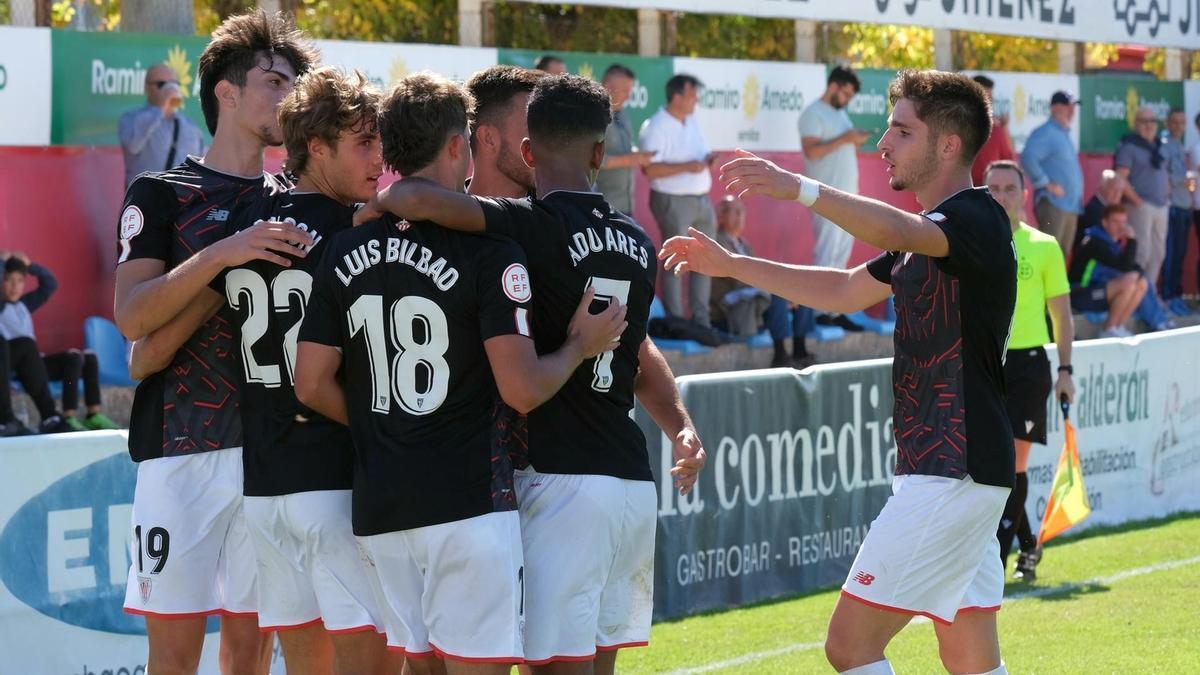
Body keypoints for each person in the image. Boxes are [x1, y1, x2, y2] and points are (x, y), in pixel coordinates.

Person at [662, 70, 1016, 675]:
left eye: (902, 131)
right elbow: (843, 289)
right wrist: (735, 265)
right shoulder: (930, 233)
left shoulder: (974, 217)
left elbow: (896, 229)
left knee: (849, 648)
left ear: (949, 145)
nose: (883, 144)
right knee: (969, 656)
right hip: (957, 469)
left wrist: (797, 187)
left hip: (952, 470)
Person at [358, 73, 706, 675]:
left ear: (525, 150)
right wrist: (680, 427)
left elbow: (418, 199)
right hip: (627, 476)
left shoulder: (529, 225)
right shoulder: (636, 241)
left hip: (558, 477)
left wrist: (378, 203)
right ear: (601, 152)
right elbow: (639, 348)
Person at [294, 72, 627, 674]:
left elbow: (311, 382)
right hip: (467, 501)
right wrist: (579, 345)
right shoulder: (491, 251)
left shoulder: (346, 247)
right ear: (458, 145)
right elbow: (522, 390)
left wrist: (377, 429)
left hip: (381, 505)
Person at [128, 67, 397, 675]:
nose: (379, 158)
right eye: (365, 142)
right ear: (317, 147)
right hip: (333, 479)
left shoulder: (246, 229)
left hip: (268, 490)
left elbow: (144, 354)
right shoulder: (356, 236)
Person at [113, 11, 317, 674]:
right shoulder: (163, 193)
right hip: (181, 453)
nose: (291, 96)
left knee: (250, 654)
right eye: (275, 80)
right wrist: (225, 255)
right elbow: (133, 317)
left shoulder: (300, 200)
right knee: (172, 658)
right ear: (227, 93)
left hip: (272, 454)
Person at [983, 160, 1074, 582]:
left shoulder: (1043, 246)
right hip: (986, 364)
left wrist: (1066, 369)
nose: (1001, 196)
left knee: (1012, 465)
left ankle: (996, 563)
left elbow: (1062, 314)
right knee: (993, 466)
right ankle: (1029, 544)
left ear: (1023, 195)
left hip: (1028, 366)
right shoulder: (973, 245)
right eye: (993, 188)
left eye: (1008, 188)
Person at [0, 253, 117, 435]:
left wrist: (30, 265)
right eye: (8, 280)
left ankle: (93, 414)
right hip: (12, 366)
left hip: (34, 365)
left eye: (20, 280)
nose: (15, 286)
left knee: (83, 357)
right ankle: (67, 415)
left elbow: (50, 284)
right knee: (27, 344)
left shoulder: (24, 304)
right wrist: (2, 262)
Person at [640, 73, 719, 331]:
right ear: (677, 97)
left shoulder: (692, 121)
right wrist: (688, 166)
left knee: (707, 258)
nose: (696, 99)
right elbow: (650, 170)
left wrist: (706, 160)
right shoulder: (656, 125)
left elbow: (699, 155)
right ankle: (675, 320)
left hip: (701, 199)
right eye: (692, 94)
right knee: (675, 257)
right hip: (672, 200)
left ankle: (701, 320)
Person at [799, 65, 871, 332]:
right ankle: (818, 313)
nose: (848, 99)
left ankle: (834, 309)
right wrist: (846, 139)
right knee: (827, 252)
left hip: (846, 194)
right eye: (847, 93)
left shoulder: (840, 114)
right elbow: (812, 152)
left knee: (840, 254)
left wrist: (851, 139)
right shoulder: (812, 113)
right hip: (823, 195)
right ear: (833, 86)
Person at [709, 196, 816, 368]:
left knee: (798, 291)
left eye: (742, 211)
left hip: (753, 300)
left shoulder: (745, 245)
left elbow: (757, 275)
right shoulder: (717, 241)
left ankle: (800, 348)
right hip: (730, 306)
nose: (739, 216)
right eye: (733, 211)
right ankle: (780, 354)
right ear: (720, 216)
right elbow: (735, 276)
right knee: (779, 295)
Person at [118, 63, 208, 188]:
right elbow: (133, 146)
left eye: (174, 84)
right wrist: (160, 108)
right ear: (146, 88)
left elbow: (200, 166)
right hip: (143, 200)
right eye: (161, 84)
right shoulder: (131, 118)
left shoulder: (190, 127)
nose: (170, 89)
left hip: (179, 202)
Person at [1067, 204, 1148, 338]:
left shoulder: (1111, 242)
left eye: (1123, 222)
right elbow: (1124, 266)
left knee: (1142, 283)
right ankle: (1108, 329)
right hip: (1080, 294)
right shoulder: (1095, 241)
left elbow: (1134, 267)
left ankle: (1119, 326)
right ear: (1105, 222)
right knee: (1129, 281)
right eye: (1116, 222)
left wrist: (1137, 272)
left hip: (1096, 292)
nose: (1121, 227)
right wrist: (1132, 240)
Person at [465, 65, 544, 199]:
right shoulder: (435, 214)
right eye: (533, 128)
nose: (547, 142)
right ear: (488, 138)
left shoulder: (559, 215)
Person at [1115, 106, 1170, 295]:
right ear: (1136, 124)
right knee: (1142, 254)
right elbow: (1120, 178)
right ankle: (1134, 298)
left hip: (1162, 207)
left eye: (1153, 121)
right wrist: (1137, 201)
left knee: (1158, 254)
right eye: (1144, 121)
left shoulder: (1159, 146)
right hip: (1141, 207)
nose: (1149, 125)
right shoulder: (1129, 146)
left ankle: (1149, 297)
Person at [1021, 90, 1083, 255]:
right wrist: (1045, 184)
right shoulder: (1046, 132)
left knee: (1061, 257)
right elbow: (1028, 157)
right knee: (1049, 253)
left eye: (1073, 107)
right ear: (1055, 108)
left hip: (1069, 206)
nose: (1072, 111)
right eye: (1067, 106)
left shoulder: (1064, 134)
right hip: (1053, 204)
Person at [595, 64, 653, 215]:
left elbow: (626, 148)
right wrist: (630, 159)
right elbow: (587, 159)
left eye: (630, 90)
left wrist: (639, 156)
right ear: (608, 87)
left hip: (625, 207)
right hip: (600, 208)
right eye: (625, 91)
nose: (628, 96)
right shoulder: (592, 117)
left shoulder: (623, 114)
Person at [1161, 108, 1193, 316]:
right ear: (1167, 123)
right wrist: (1182, 181)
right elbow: (1161, 177)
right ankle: (1166, 299)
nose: (1179, 126)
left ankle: (1175, 297)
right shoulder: (1163, 146)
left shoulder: (1180, 145)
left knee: (1180, 255)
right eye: (1175, 122)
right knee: (1170, 255)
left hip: (1184, 206)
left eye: (1182, 122)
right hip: (1171, 207)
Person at [969, 75, 1015, 187]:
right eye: (986, 97)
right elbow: (1009, 160)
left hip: (986, 191)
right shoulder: (957, 126)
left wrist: (1005, 128)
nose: (990, 101)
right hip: (969, 191)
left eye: (991, 97)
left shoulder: (996, 128)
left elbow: (1008, 158)